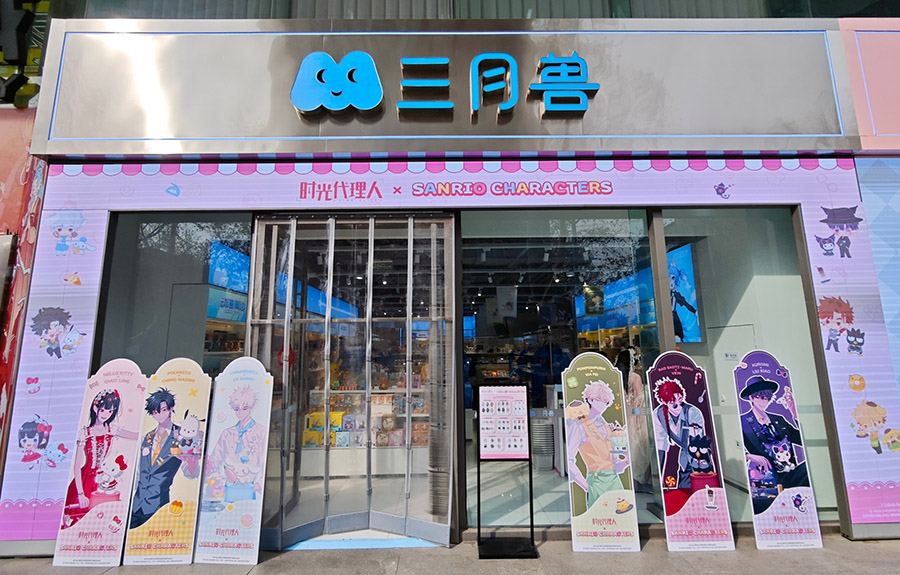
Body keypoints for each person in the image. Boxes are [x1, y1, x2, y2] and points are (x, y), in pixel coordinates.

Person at [62, 389, 138, 528]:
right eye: (103, 410)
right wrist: (80, 493)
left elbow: (136, 436)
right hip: (85, 480)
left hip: (103, 479)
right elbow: (77, 465)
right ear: (95, 408)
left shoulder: (111, 429)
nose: (106, 414)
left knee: (100, 520)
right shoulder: (85, 433)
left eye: (110, 411)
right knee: (79, 521)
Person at [130, 388, 184, 529]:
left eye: (163, 410)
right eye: (155, 412)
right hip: (136, 504)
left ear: (171, 408)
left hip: (158, 503)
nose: (159, 415)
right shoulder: (147, 437)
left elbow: (191, 471)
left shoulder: (181, 436)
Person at [566, 380, 624, 510]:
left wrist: (626, 460)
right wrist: (586, 486)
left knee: (619, 516)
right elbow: (568, 459)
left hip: (614, 481)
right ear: (590, 400)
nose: (602, 404)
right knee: (599, 516)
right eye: (598, 399)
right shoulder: (579, 424)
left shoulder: (606, 425)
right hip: (596, 481)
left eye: (605, 402)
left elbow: (615, 463)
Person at [203, 386, 268, 504]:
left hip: (251, 489)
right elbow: (214, 460)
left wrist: (257, 485)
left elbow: (265, 463)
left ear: (252, 406)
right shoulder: (227, 433)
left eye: (245, 408)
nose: (240, 412)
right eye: (237, 409)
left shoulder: (261, 432)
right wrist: (216, 477)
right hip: (227, 489)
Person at [652, 377, 705, 489]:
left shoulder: (692, 412)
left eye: (680, 400)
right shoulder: (658, 415)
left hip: (698, 454)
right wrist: (657, 479)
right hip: (685, 459)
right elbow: (660, 444)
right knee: (683, 489)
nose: (679, 406)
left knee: (700, 485)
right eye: (673, 403)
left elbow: (698, 442)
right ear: (663, 402)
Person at [616, 347, 651, 490]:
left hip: (621, 417)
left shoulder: (616, 376)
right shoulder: (635, 377)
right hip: (635, 417)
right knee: (638, 449)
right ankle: (637, 479)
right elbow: (640, 399)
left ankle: (624, 477)